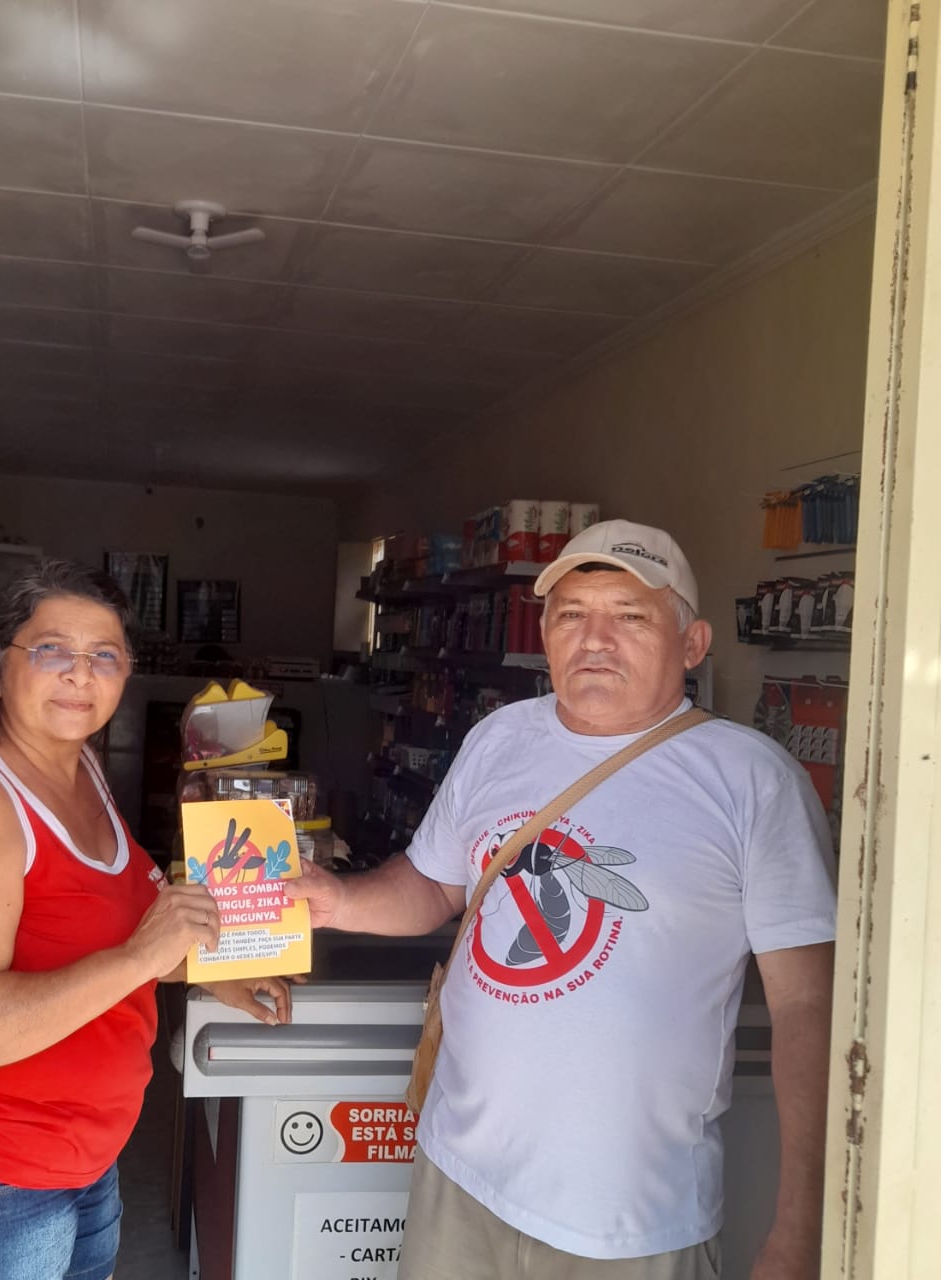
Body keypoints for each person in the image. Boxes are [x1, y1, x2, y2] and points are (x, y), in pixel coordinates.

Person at [289, 519, 836, 1280]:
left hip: (629, 1222)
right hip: (458, 1178)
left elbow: (810, 1008)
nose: (596, 639)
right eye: (572, 614)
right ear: (544, 632)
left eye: (632, 615)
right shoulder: (498, 739)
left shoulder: (752, 780)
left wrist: (805, 1223)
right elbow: (435, 884)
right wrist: (335, 900)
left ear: (694, 643)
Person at [0, 560, 292, 1280]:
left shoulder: (80, 770)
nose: (80, 675)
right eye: (52, 650)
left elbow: (108, 931)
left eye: (104, 657)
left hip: (81, 1160)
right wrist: (139, 960)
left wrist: (210, 972)